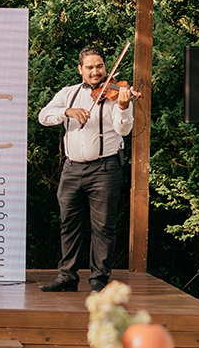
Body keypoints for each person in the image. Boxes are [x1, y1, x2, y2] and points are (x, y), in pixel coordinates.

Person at [37, 45, 133, 293]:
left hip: (105, 168)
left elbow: (124, 130)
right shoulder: (68, 93)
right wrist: (66, 111)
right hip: (71, 169)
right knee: (69, 224)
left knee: (103, 227)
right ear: (80, 69)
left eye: (99, 66)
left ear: (105, 66)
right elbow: (43, 116)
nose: (95, 71)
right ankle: (67, 276)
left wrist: (122, 107)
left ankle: (98, 280)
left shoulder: (117, 93)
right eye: (89, 67)